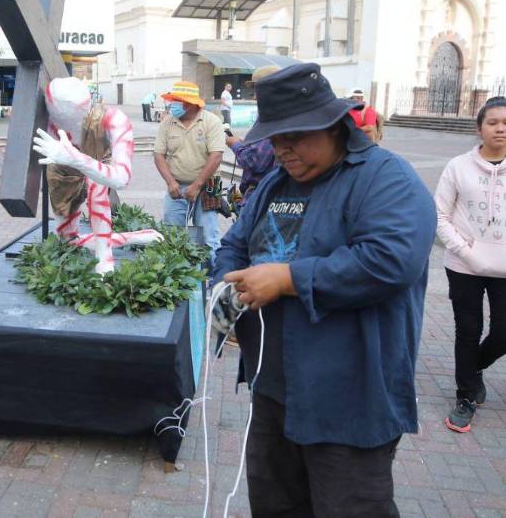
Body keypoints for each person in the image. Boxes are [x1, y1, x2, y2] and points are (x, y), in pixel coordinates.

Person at [213, 63, 436, 517]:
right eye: (275, 139)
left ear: (333, 125)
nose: (283, 150)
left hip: (349, 397)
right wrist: (225, 288)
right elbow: (234, 244)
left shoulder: (386, 178)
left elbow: (390, 260)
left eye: (295, 137)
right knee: (274, 504)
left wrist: (288, 279)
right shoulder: (275, 182)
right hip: (274, 388)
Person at [435, 96, 506, 433]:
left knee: (503, 331)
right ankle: (465, 395)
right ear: (479, 128)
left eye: (505, 123)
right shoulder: (458, 166)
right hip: (464, 265)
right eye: (493, 122)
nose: (500, 129)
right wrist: (466, 252)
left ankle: (472, 367)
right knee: (468, 329)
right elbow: (439, 215)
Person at [153, 81, 225, 265]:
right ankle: (176, 273)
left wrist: (197, 184)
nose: (173, 104)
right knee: (172, 235)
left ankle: (212, 275)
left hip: (208, 186)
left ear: (190, 103)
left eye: (177, 100)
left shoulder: (211, 122)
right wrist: (170, 182)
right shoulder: (167, 123)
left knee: (209, 235)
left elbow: (216, 156)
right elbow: (159, 155)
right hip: (176, 187)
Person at [224, 66, 279, 208]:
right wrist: (247, 145)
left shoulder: (273, 117)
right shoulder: (270, 115)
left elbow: (254, 161)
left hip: (260, 200)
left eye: (257, 91)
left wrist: (235, 145)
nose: (254, 97)